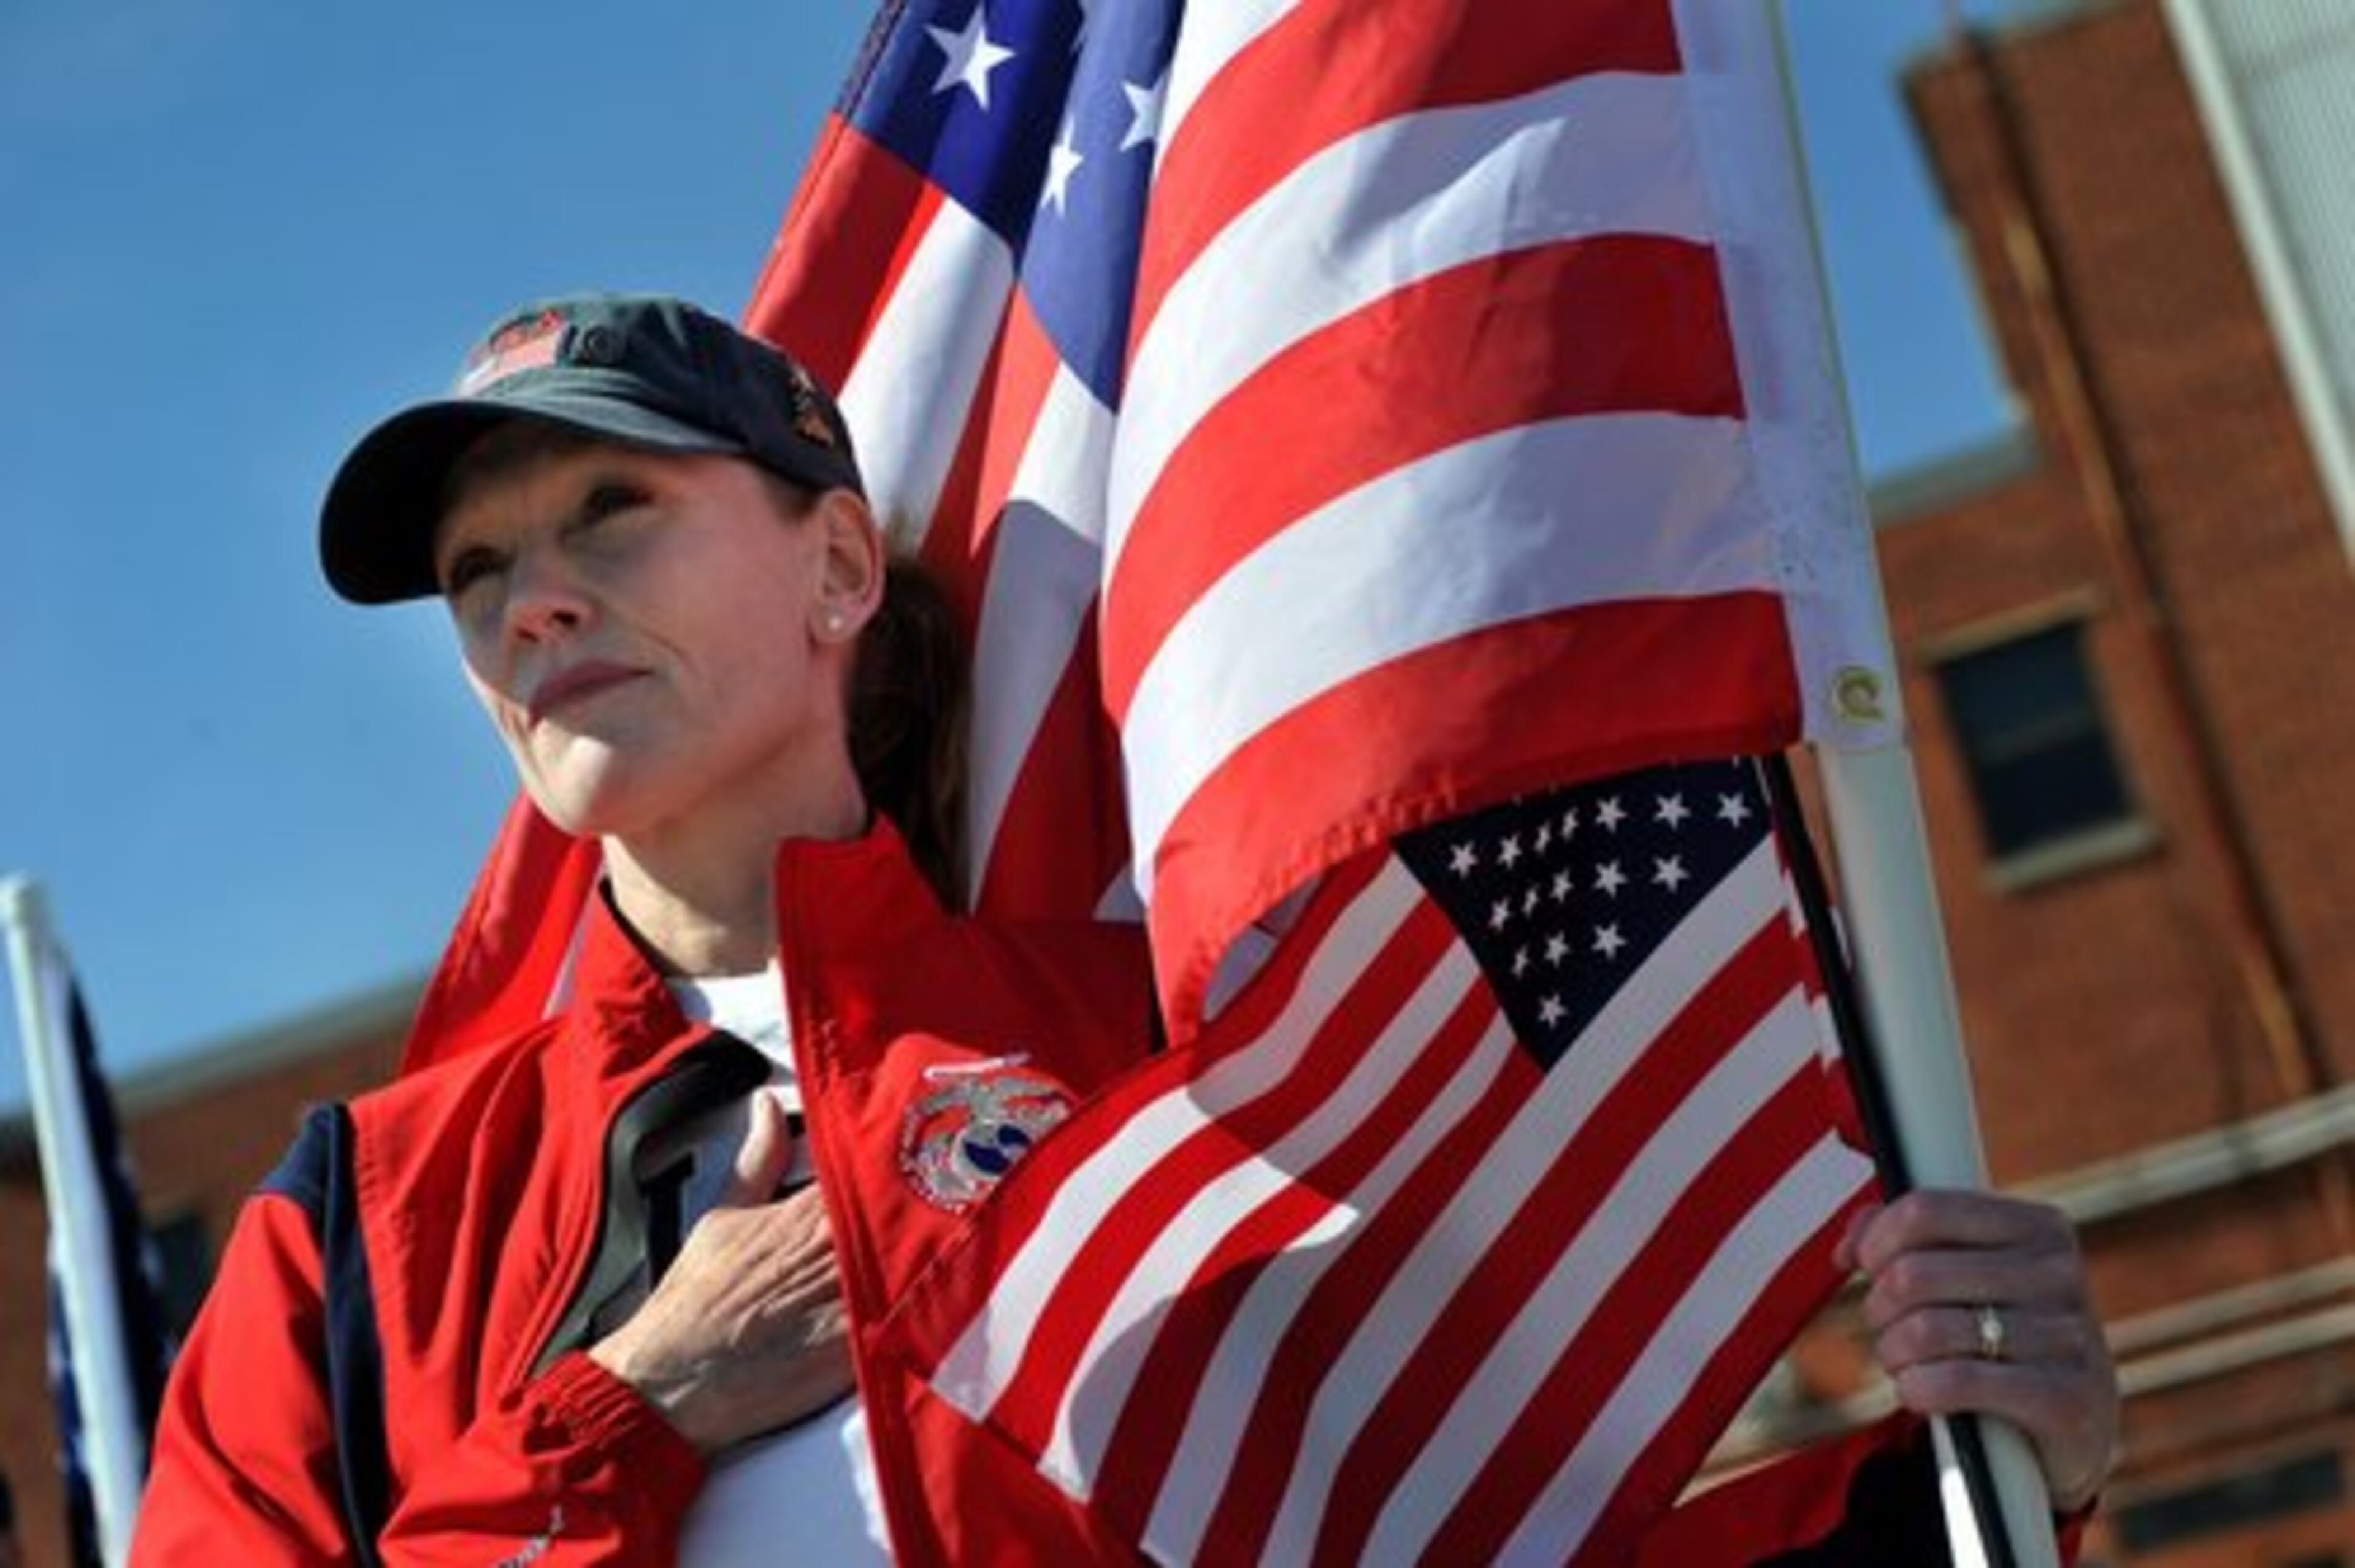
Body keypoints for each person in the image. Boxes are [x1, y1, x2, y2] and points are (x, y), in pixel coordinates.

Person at [132, 293, 2116, 1564]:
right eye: (478, 571)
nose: (528, 605)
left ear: (837, 564)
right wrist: (641, 1402)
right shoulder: (356, 1228)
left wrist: (1986, 1481)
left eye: (609, 516)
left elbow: (1468, 1533)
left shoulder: (1167, 1055)